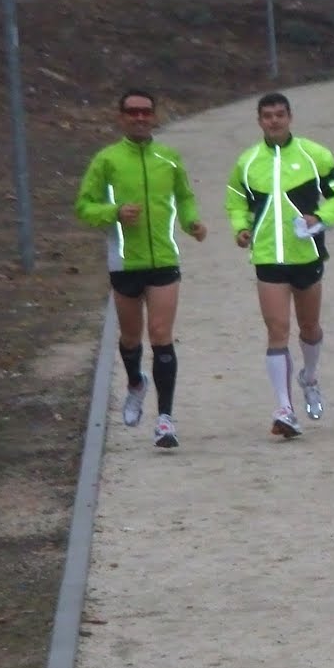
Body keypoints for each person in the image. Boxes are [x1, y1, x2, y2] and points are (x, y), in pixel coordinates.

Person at [75, 88, 206, 450]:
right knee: (131, 337)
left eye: (146, 111)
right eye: (132, 112)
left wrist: (192, 222)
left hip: (164, 259)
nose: (140, 117)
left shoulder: (169, 158)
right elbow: (84, 206)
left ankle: (165, 419)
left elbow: (185, 197)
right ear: (121, 118)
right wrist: (113, 213)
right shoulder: (107, 160)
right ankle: (135, 382)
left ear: (154, 116)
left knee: (161, 334)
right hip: (124, 261)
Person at [226, 92, 334, 439]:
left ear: (290, 117)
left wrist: (321, 217)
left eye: (280, 114)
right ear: (259, 121)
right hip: (267, 256)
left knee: (309, 327)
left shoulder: (315, 155)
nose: (274, 120)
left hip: (307, 253)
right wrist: (240, 227)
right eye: (267, 115)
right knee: (277, 330)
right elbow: (236, 200)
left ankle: (309, 377)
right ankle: (284, 408)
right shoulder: (248, 162)